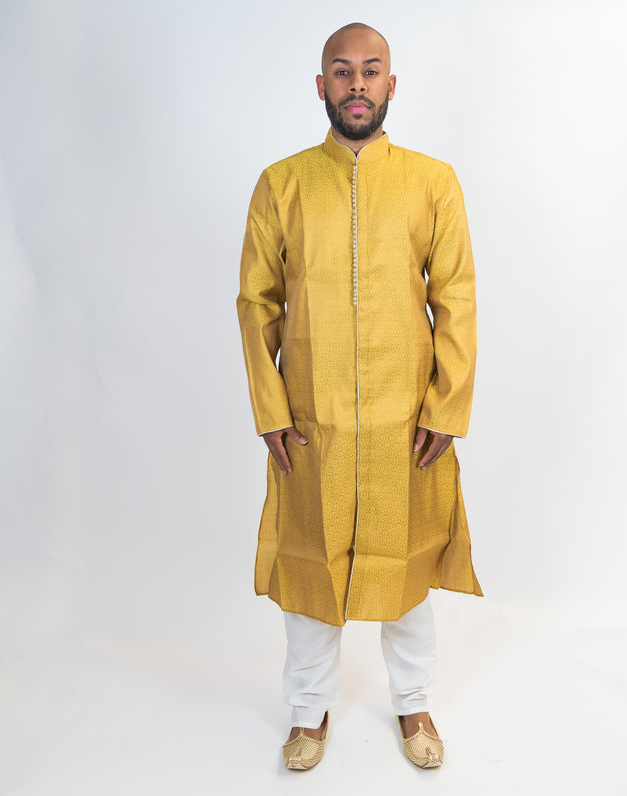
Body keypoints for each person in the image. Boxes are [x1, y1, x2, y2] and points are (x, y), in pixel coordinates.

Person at [237, 22, 481, 770]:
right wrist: (271, 412)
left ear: (391, 85)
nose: (356, 84)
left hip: (405, 422)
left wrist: (446, 409)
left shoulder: (431, 181)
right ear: (321, 86)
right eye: (341, 72)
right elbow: (257, 303)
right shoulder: (282, 184)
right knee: (312, 570)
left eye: (370, 70)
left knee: (406, 570)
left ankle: (414, 702)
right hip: (312, 423)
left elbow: (456, 299)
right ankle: (307, 713)